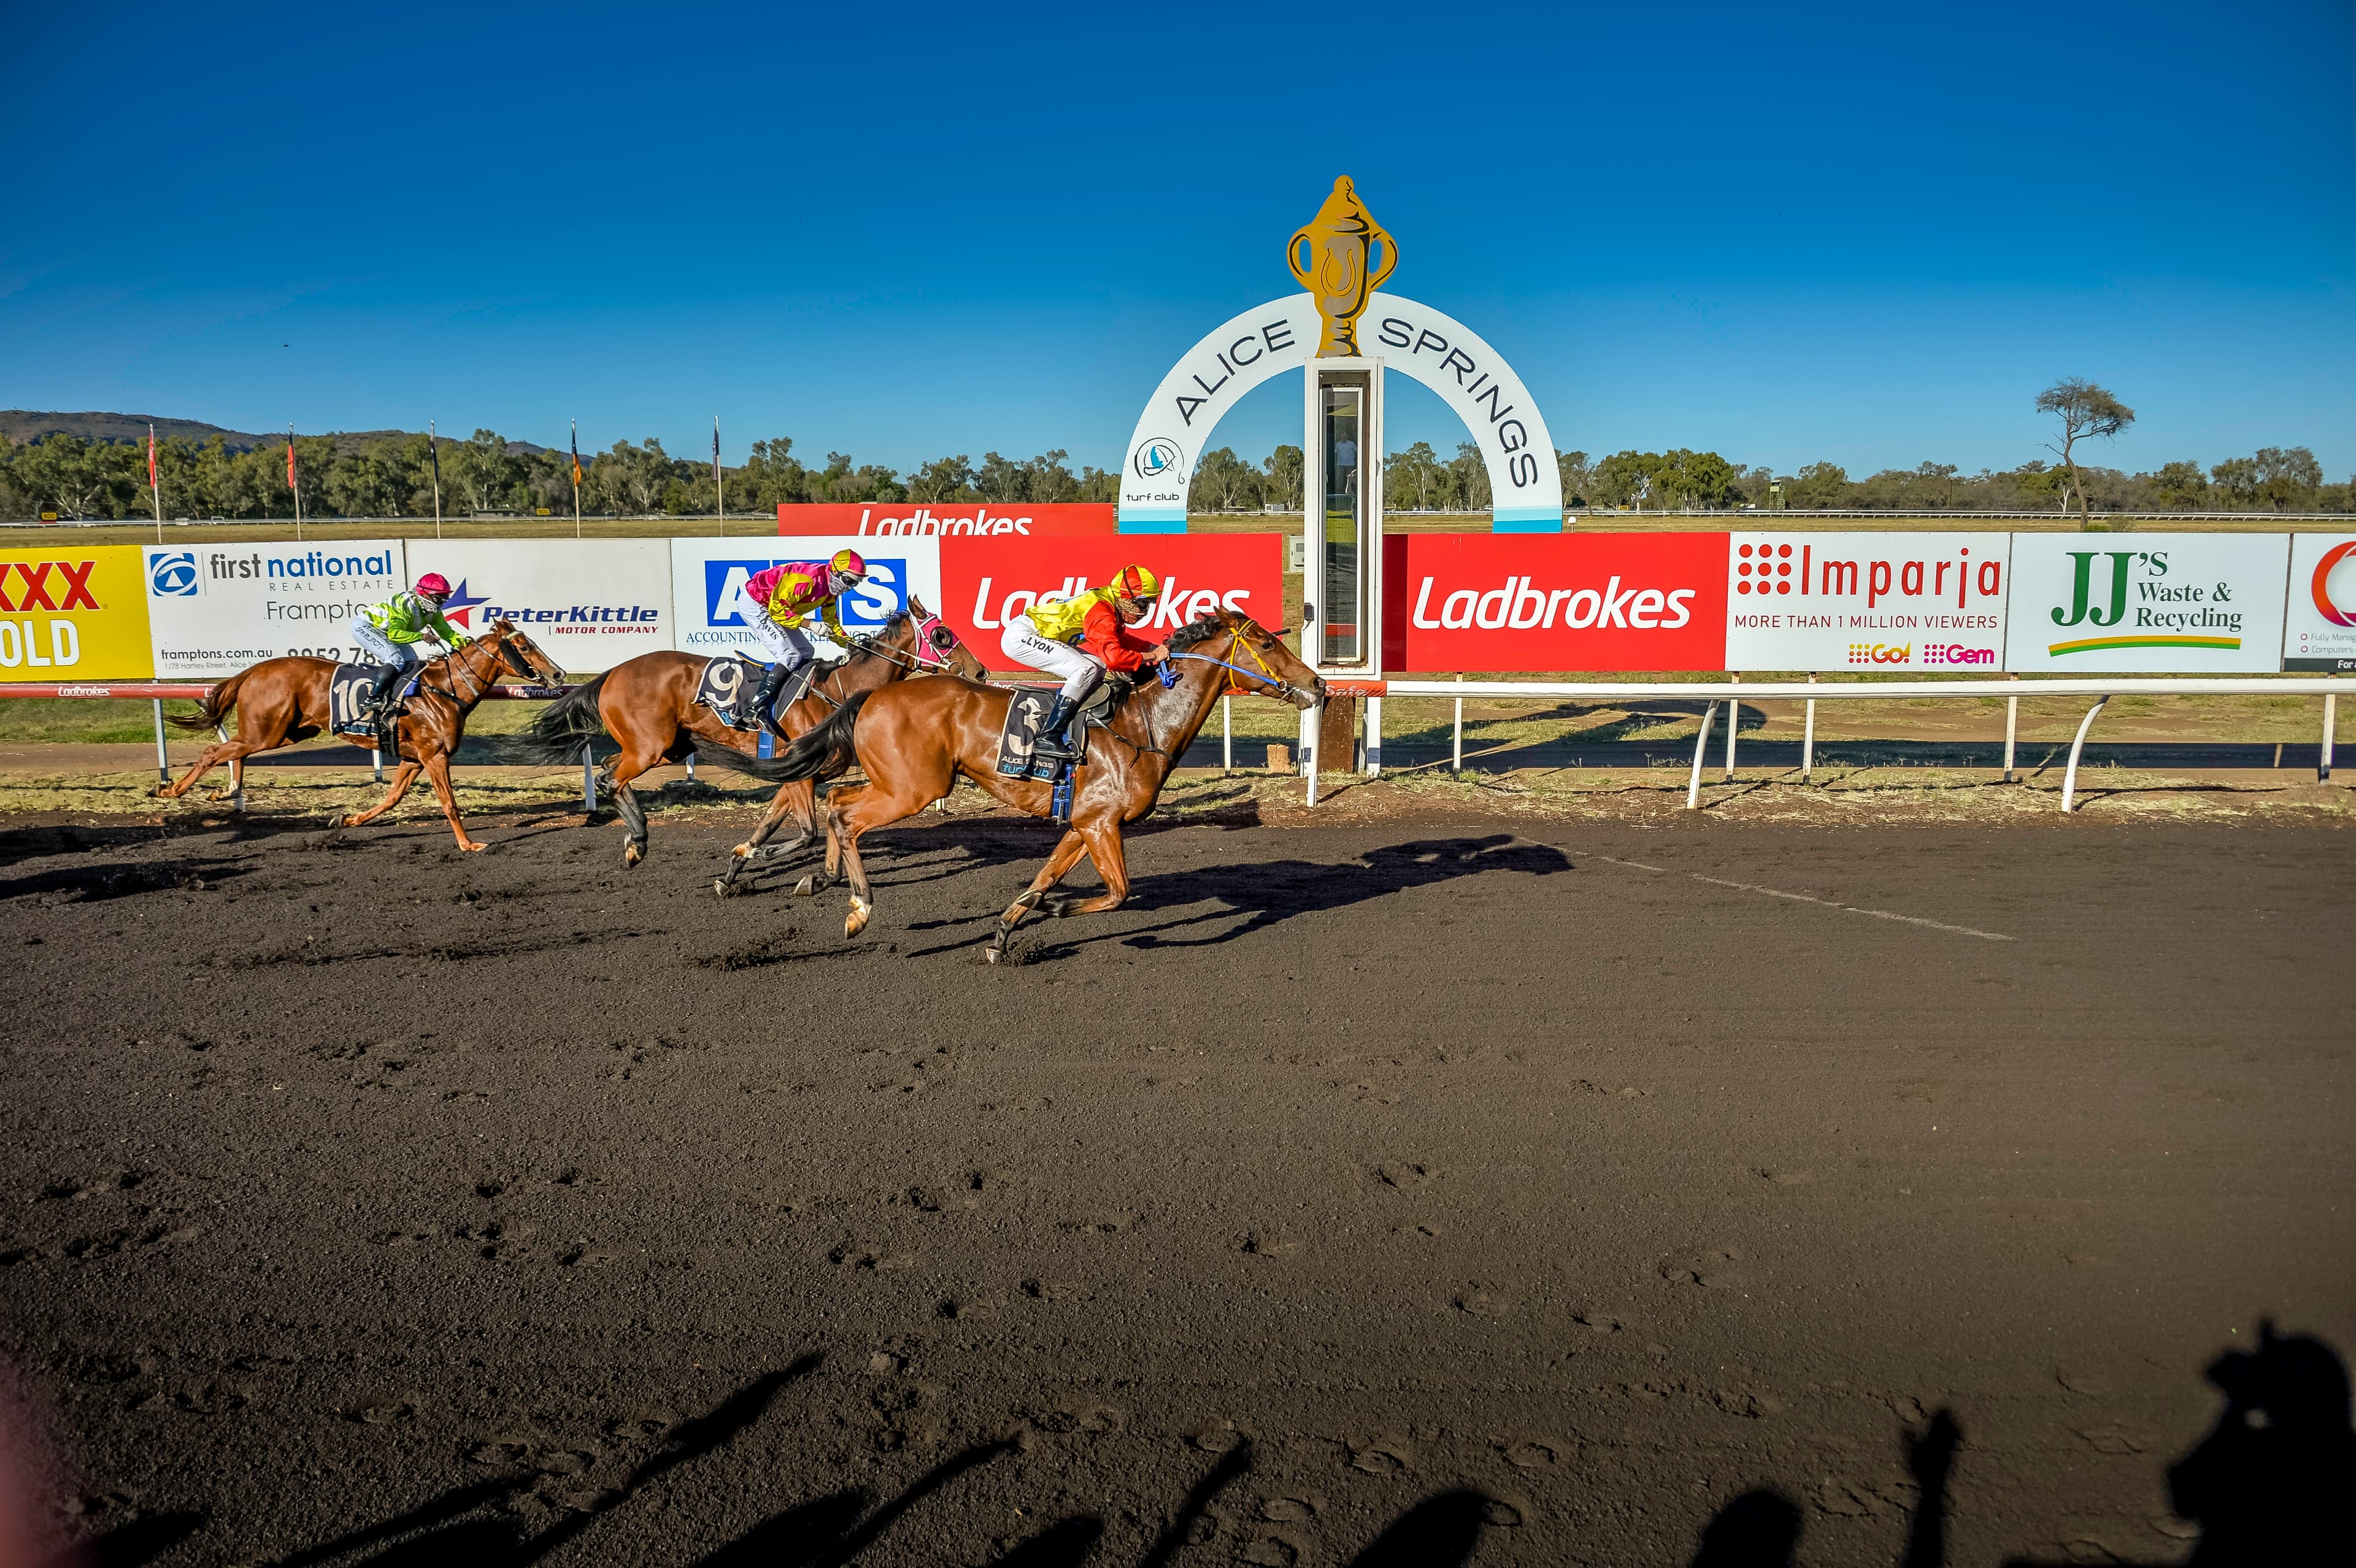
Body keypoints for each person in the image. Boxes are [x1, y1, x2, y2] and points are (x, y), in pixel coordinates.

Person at [1000, 564, 1169, 763]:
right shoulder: (1102, 612)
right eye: (1141, 604)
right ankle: (1048, 737)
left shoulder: (1109, 602)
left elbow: (1121, 641)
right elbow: (1114, 659)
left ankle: (1080, 721)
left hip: (1031, 633)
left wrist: (1152, 647)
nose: (1144, 611)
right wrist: (1152, 656)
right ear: (1124, 597)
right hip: (1022, 637)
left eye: (1149, 604)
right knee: (1085, 669)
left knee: (1097, 667)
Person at [731, 548, 866, 736]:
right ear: (835, 571)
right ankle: (755, 709)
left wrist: (852, 645)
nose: (850, 588)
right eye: (849, 581)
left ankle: (786, 696)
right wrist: (809, 624)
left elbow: (832, 624)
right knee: (789, 655)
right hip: (757, 604)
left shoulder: (830, 590)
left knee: (805, 650)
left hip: (775, 607)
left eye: (855, 584)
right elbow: (777, 610)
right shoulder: (806, 580)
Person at [350, 572, 471, 728]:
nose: (442, 602)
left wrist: (465, 644)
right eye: (439, 598)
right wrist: (422, 637)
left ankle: (396, 699)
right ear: (425, 595)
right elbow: (395, 634)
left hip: (387, 631)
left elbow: (447, 633)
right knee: (395, 659)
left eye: (445, 597)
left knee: (412, 663)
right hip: (366, 627)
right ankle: (373, 699)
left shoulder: (433, 613)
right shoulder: (405, 605)